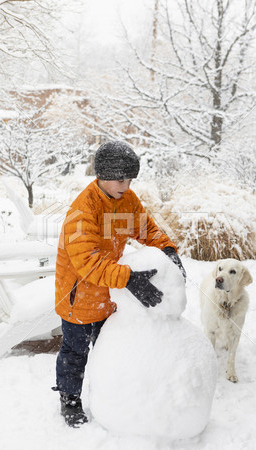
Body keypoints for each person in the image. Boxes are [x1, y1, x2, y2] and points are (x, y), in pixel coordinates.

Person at [53, 140, 186, 427]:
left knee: (106, 351)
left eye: (130, 179)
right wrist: (128, 279)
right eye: (120, 178)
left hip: (107, 292)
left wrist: (168, 250)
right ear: (101, 174)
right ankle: (69, 400)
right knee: (75, 353)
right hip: (77, 296)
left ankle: (107, 398)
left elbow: (145, 228)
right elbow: (86, 261)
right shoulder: (83, 210)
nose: (125, 185)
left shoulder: (125, 200)